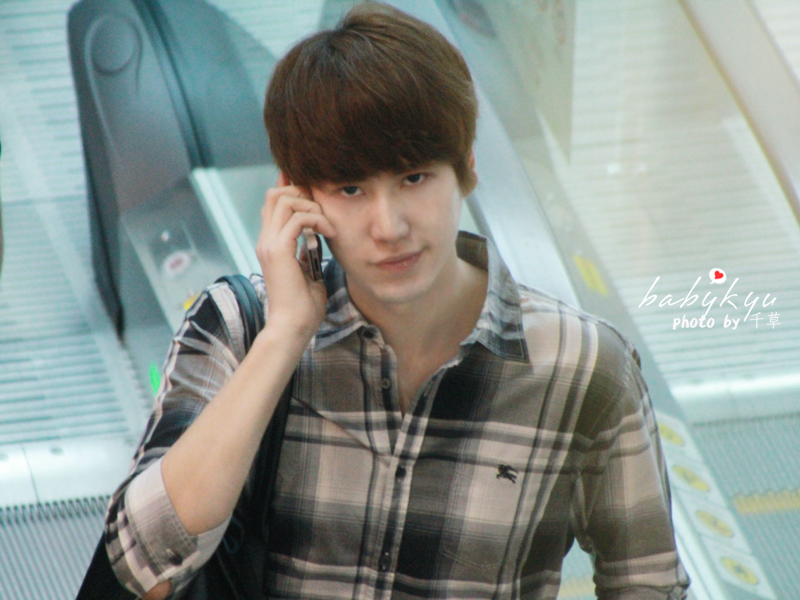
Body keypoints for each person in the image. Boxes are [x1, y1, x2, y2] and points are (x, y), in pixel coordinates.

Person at [105, 4, 689, 599]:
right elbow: (142, 565)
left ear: (466, 168)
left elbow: (648, 582)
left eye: (414, 178)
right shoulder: (238, 328)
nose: (389, 227)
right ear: (297, 197)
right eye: (350, 189)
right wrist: (284, 337)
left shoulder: (584, 366)